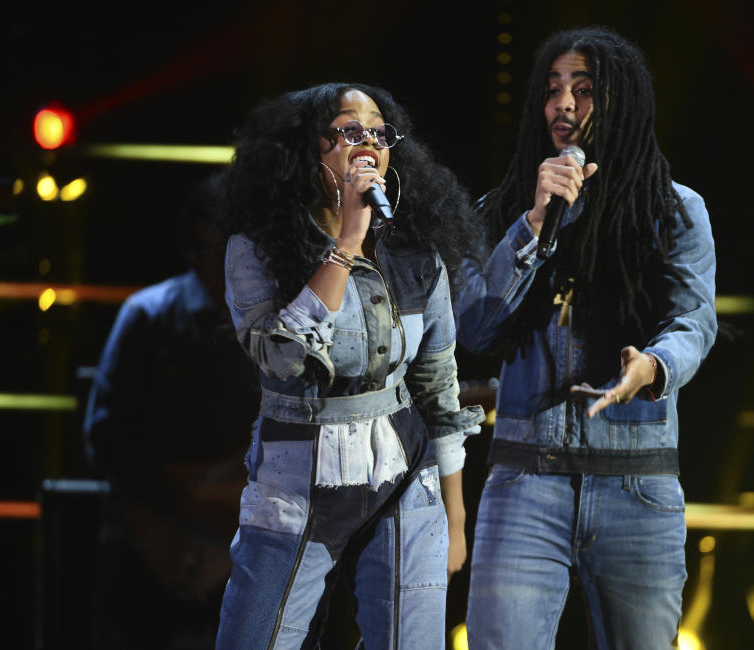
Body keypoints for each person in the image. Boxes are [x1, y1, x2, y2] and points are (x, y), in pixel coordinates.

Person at [454, 27, 717, 649]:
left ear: (620, 101)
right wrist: (537, 223)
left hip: (637, 487)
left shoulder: (676, 210)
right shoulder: (505, 212)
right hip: (525, 482)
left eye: (584, 89)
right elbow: (475, 325)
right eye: (552, 90)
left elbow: (694, 321)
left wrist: (650, 367)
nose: (563, 105)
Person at [214, 82, 484, 650]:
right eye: (348, 130)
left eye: (379, 133)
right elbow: (279, 356)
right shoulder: (256, 249)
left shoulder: (417, 254)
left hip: (403, 477)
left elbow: (438, 388)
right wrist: (346, 244)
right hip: (298, 485)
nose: (368, 144)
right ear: (309, 149)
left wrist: (456, 520)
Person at [83, 173, 260, 649]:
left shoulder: (279, 325)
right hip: (149, 546)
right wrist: (179, 513)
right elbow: (105, 436)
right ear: (197, 242)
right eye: (218, 242)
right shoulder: (148, 315)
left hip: (245, 548)